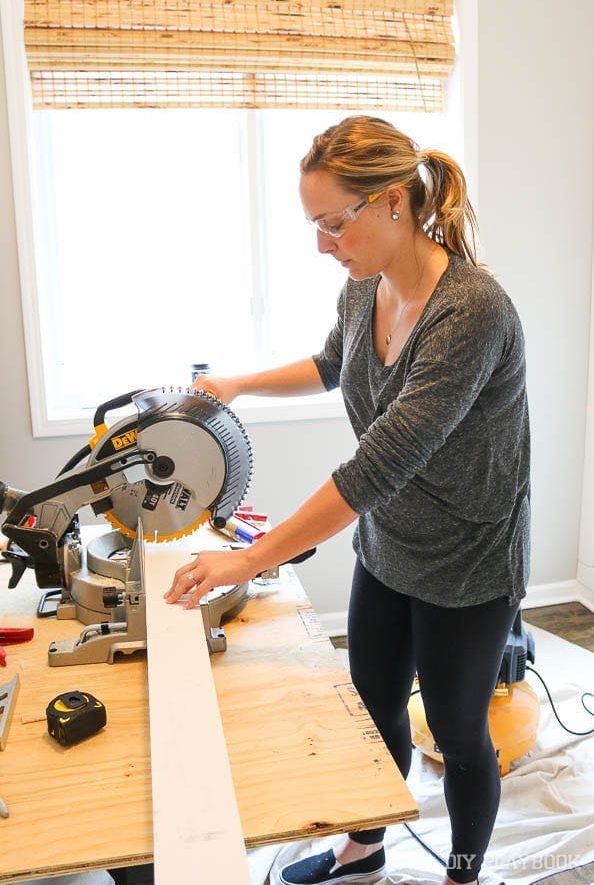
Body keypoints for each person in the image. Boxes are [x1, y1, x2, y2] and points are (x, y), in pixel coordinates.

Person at [164, 115, 530, 885]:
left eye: (334, 223)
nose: (324, 244)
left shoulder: (472, 312)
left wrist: (252, 559)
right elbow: (334, 365)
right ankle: (366, 847)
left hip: (468, 554)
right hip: (390, 541)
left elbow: (377, 465)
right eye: (315, 225)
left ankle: (465, 872)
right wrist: (238, 382)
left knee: (461, 731)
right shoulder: (364, 288)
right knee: (371, 709)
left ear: (393, 202)